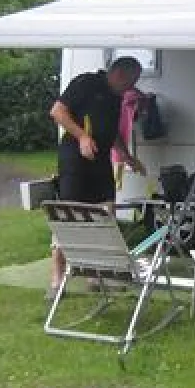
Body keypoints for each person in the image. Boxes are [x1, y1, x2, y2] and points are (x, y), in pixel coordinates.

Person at [46, 56, 147, 300]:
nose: (132, 87)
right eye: (131, 81)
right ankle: (57, 279)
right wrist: (81, 136)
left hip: (100, 162)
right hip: (75, 160)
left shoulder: (117, 96)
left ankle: (96, 274)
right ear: (119, 74)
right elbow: (57, 112)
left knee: (105, 214)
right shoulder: (86, 83)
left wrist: (126, 156)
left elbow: (110, 132)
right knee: (69, 214)